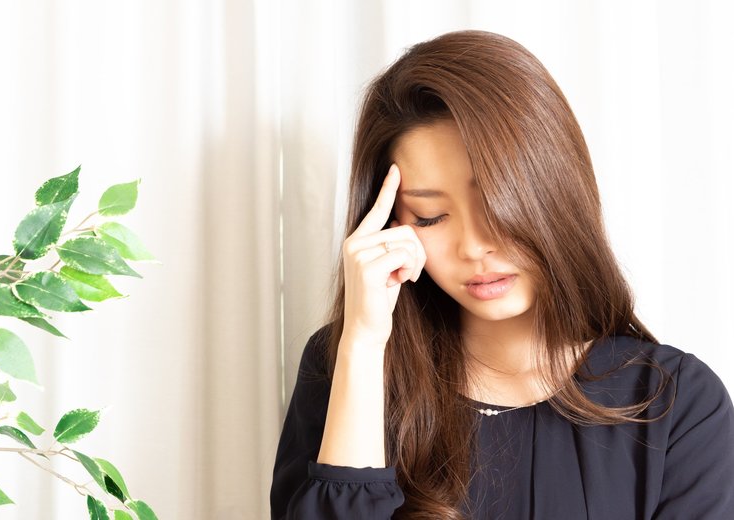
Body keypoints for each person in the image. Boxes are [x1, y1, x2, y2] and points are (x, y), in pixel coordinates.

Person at [270, 30, 734, 519]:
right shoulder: (347, 369)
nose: (474, 246)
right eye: (429, 217)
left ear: (552, 187)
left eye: (495, 201)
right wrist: (362, 346)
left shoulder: (674, 403)